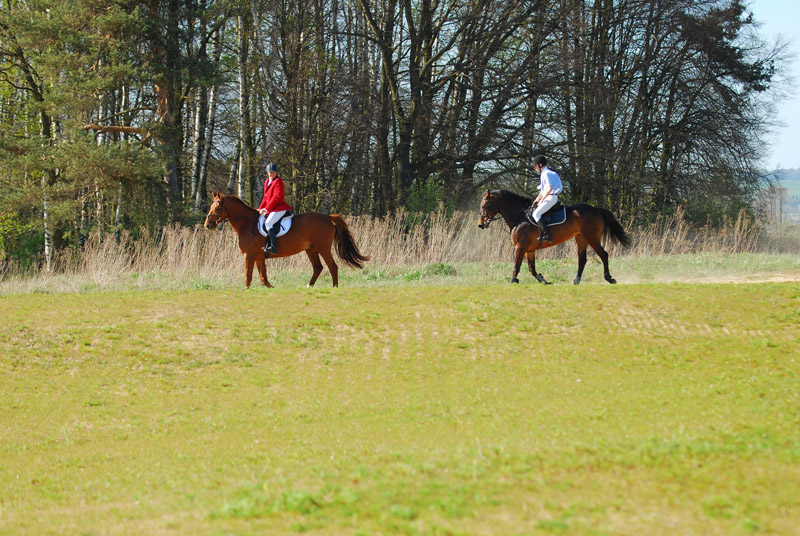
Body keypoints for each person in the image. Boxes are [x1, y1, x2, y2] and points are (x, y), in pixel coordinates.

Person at [258, 162, 293, 254]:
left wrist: (267, 208)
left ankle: (274, 246)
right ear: (267, 172)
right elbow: (266, 197)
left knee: (268, 223)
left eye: (274, 172)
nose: (272, 174)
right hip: (271, 208)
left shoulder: (278, 181)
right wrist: (261, 208)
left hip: (279, 208)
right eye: (270, 172)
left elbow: (277, 197)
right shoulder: (267, 182)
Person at [531, 155, 562, 243]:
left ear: (540, 165)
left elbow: (549, 189)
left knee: (536, 214)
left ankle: (547, 235)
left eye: (535, 165)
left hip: (551, 197)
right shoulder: (544, 174)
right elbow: (542, 191)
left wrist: (541, 200)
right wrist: (536, 200)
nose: (534, 168)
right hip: (548, 196)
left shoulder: (547, 173)